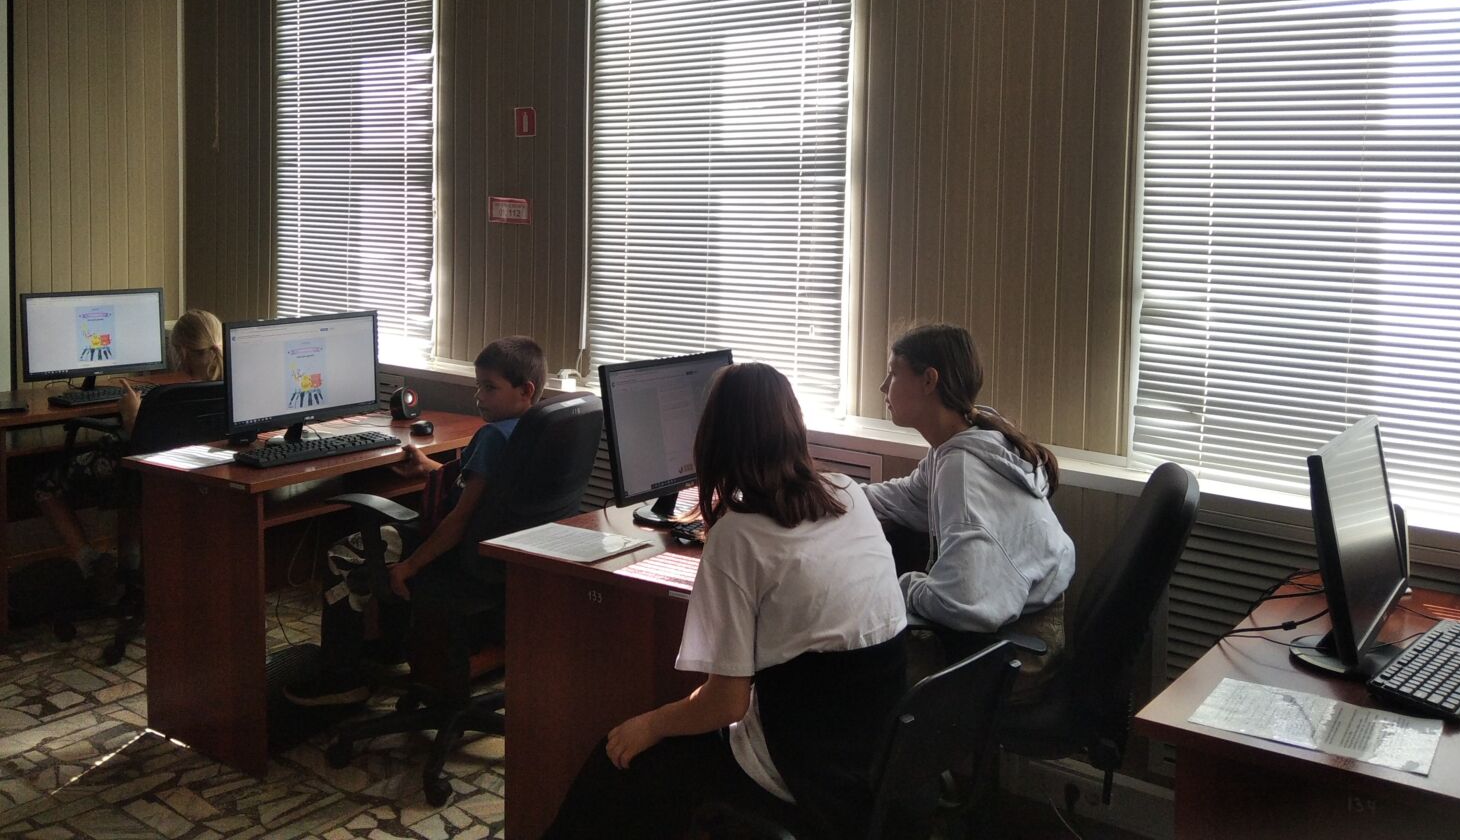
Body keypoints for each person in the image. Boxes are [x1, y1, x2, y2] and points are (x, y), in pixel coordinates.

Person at [544, 363, 909, 840]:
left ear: (713, 438)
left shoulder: (737, 535)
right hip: (869, 758)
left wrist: (648, 725)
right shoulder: (847, 492)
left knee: (616, 758)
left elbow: (726, 704)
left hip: (797, 771)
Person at [284, 335, 546, 707]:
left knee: (342, 554)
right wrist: (429, 469)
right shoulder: (534, 430)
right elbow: (482, 494)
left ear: (525, 390)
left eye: (490, 388)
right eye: (478, 386)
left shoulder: (491, 436)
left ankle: (341, 678)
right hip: (500, 558)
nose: (478, 397)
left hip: (456, 553)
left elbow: (458, 519)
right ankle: (388, 652)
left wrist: (410, 566)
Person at [864, 323, 1075, 692]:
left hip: (1019, 654)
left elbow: (963, 604)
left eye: (894, 373)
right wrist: (840, 493)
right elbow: (911, 497)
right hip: (1014, 629)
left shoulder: (963, 468)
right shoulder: (966, 441)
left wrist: (900, 585)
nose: (884, 387)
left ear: (929, 380)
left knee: (870, 676)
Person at [34, 308, 224, 600]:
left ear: (183, 352)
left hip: (152, 476)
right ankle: (129, 568)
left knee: (45, 483)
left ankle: (89, 562)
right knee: (132, 484)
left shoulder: (168, 397)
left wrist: (132, 416)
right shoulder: (228, 388)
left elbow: (147, 449)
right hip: (200, 480)